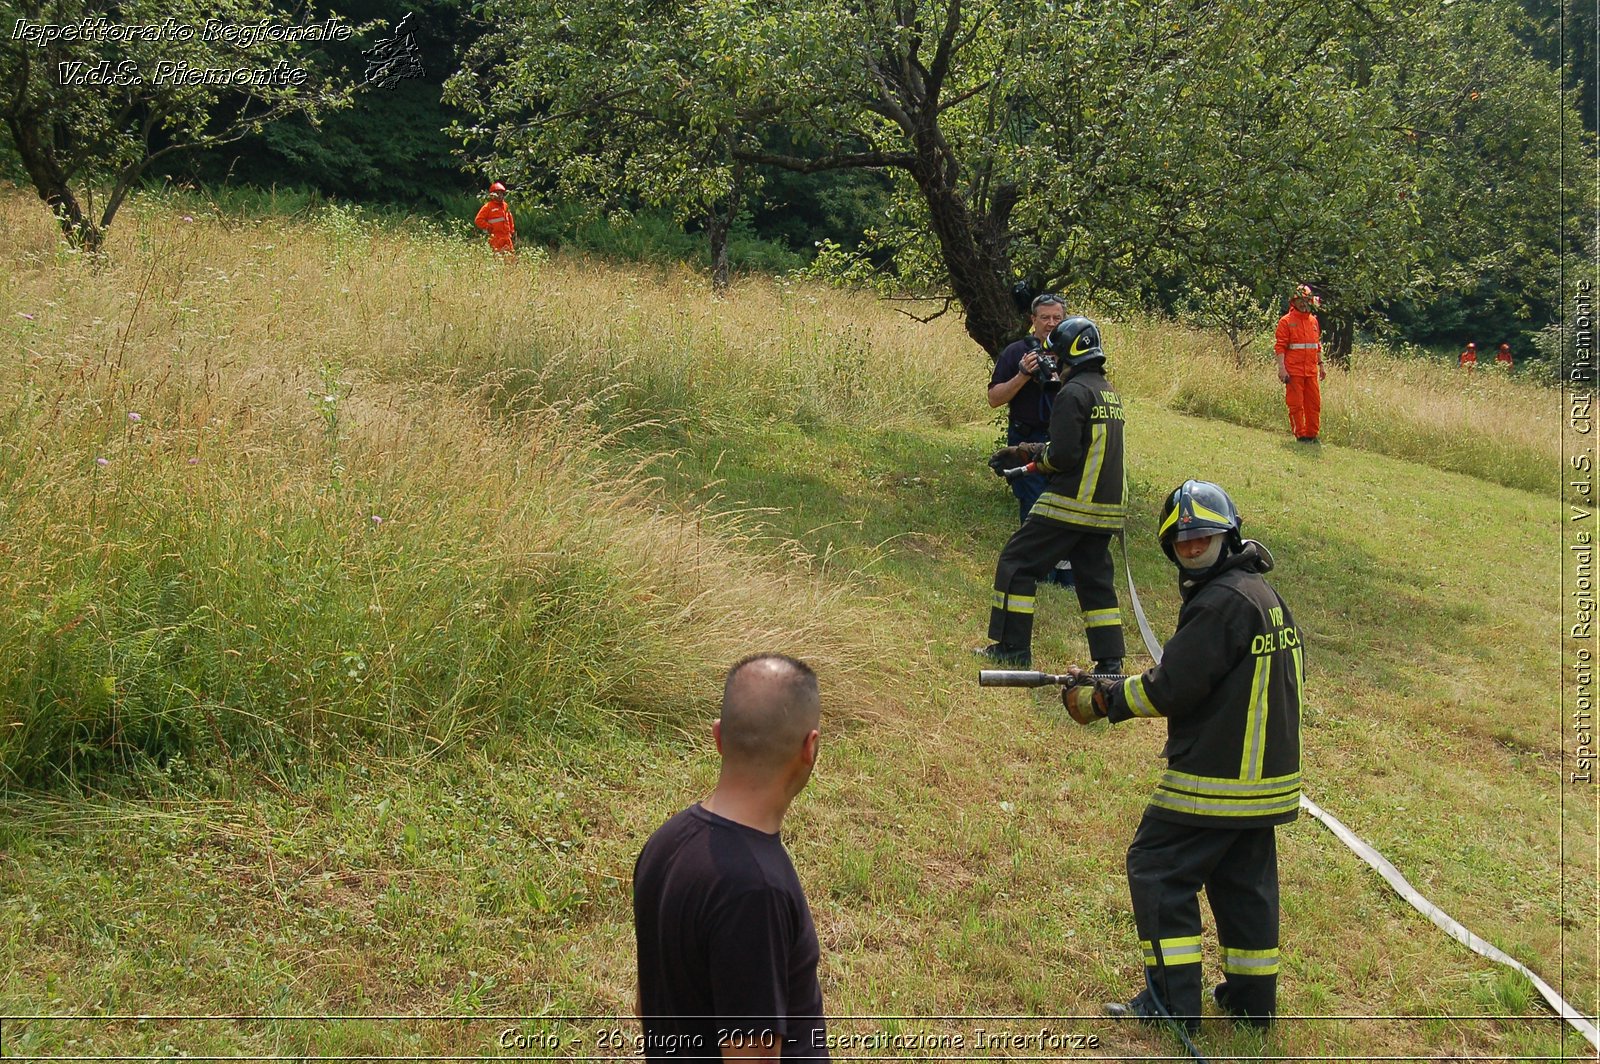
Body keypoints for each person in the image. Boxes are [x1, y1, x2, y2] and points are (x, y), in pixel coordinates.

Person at [1062, 481, 1303, 1034]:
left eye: (1202, 537)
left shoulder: (1220, 605)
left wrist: (1101, 699)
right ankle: (1250, 1005)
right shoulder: (1260, 595)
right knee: (1243, 883)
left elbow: (1170, 687)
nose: (1192, 548)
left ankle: (1171, 1007)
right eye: (1182, 541)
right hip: (1268, 781)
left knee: (1157, 866)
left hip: (1217, 777)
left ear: (1227, 535)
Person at [633, 654, 828, 1061]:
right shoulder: (757, 891)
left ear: (719, 737)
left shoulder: (665, 843)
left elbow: (646, 1003)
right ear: (810, 748)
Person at [977, 316, 1126, 672]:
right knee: (1094, 582)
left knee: (1017, 562)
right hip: (1105, 508)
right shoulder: (1107, 391)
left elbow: (1062, 455)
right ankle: (1109, 663)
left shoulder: (1072, 393)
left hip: (1071, 502)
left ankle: (1012, 649)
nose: (1053, 363)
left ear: (1067, 354)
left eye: (1055, 356)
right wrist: (1029, 451)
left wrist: (1028, 453)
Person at [988, 293, 1074, 588]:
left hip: (1063, 439)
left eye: (1057, 318)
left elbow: (1099, 389)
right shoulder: (1015, 352)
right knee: (1034, 506)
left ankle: (1065, 577)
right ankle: (1037, 574)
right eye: (1045, 318)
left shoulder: (1075, 351)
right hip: (1025, 440)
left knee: (1066, 505)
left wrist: (1065, 375)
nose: (1051, 324)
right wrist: (1024, 374)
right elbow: (994, 399)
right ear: (1032, 320)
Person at [1273, 285, 1325, 443]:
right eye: (1299, 300)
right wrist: (1282, 369)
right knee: (1295, 404)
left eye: (1305, 300)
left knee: (1314, 404)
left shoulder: (1313, 321)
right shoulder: (1286, 322)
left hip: (1310, 371)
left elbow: (1317, 345)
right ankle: (1301, 435)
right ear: (1293, 302)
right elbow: (1280, 347)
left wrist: (1321, 365)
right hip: (1293, 371)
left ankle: (1312, 434)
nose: (1303, 303)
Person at [474, 181, 516, 254]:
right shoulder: (488, 207)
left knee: (510, 260)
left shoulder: (505, 205)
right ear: (492, 195)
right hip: (495, 238)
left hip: (507, 238)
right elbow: (478, 220)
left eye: (501, 193)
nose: (500, 195)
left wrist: (511, 231)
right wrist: (488, 227)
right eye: (497, 193)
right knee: (497, 258)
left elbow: (509, 218)